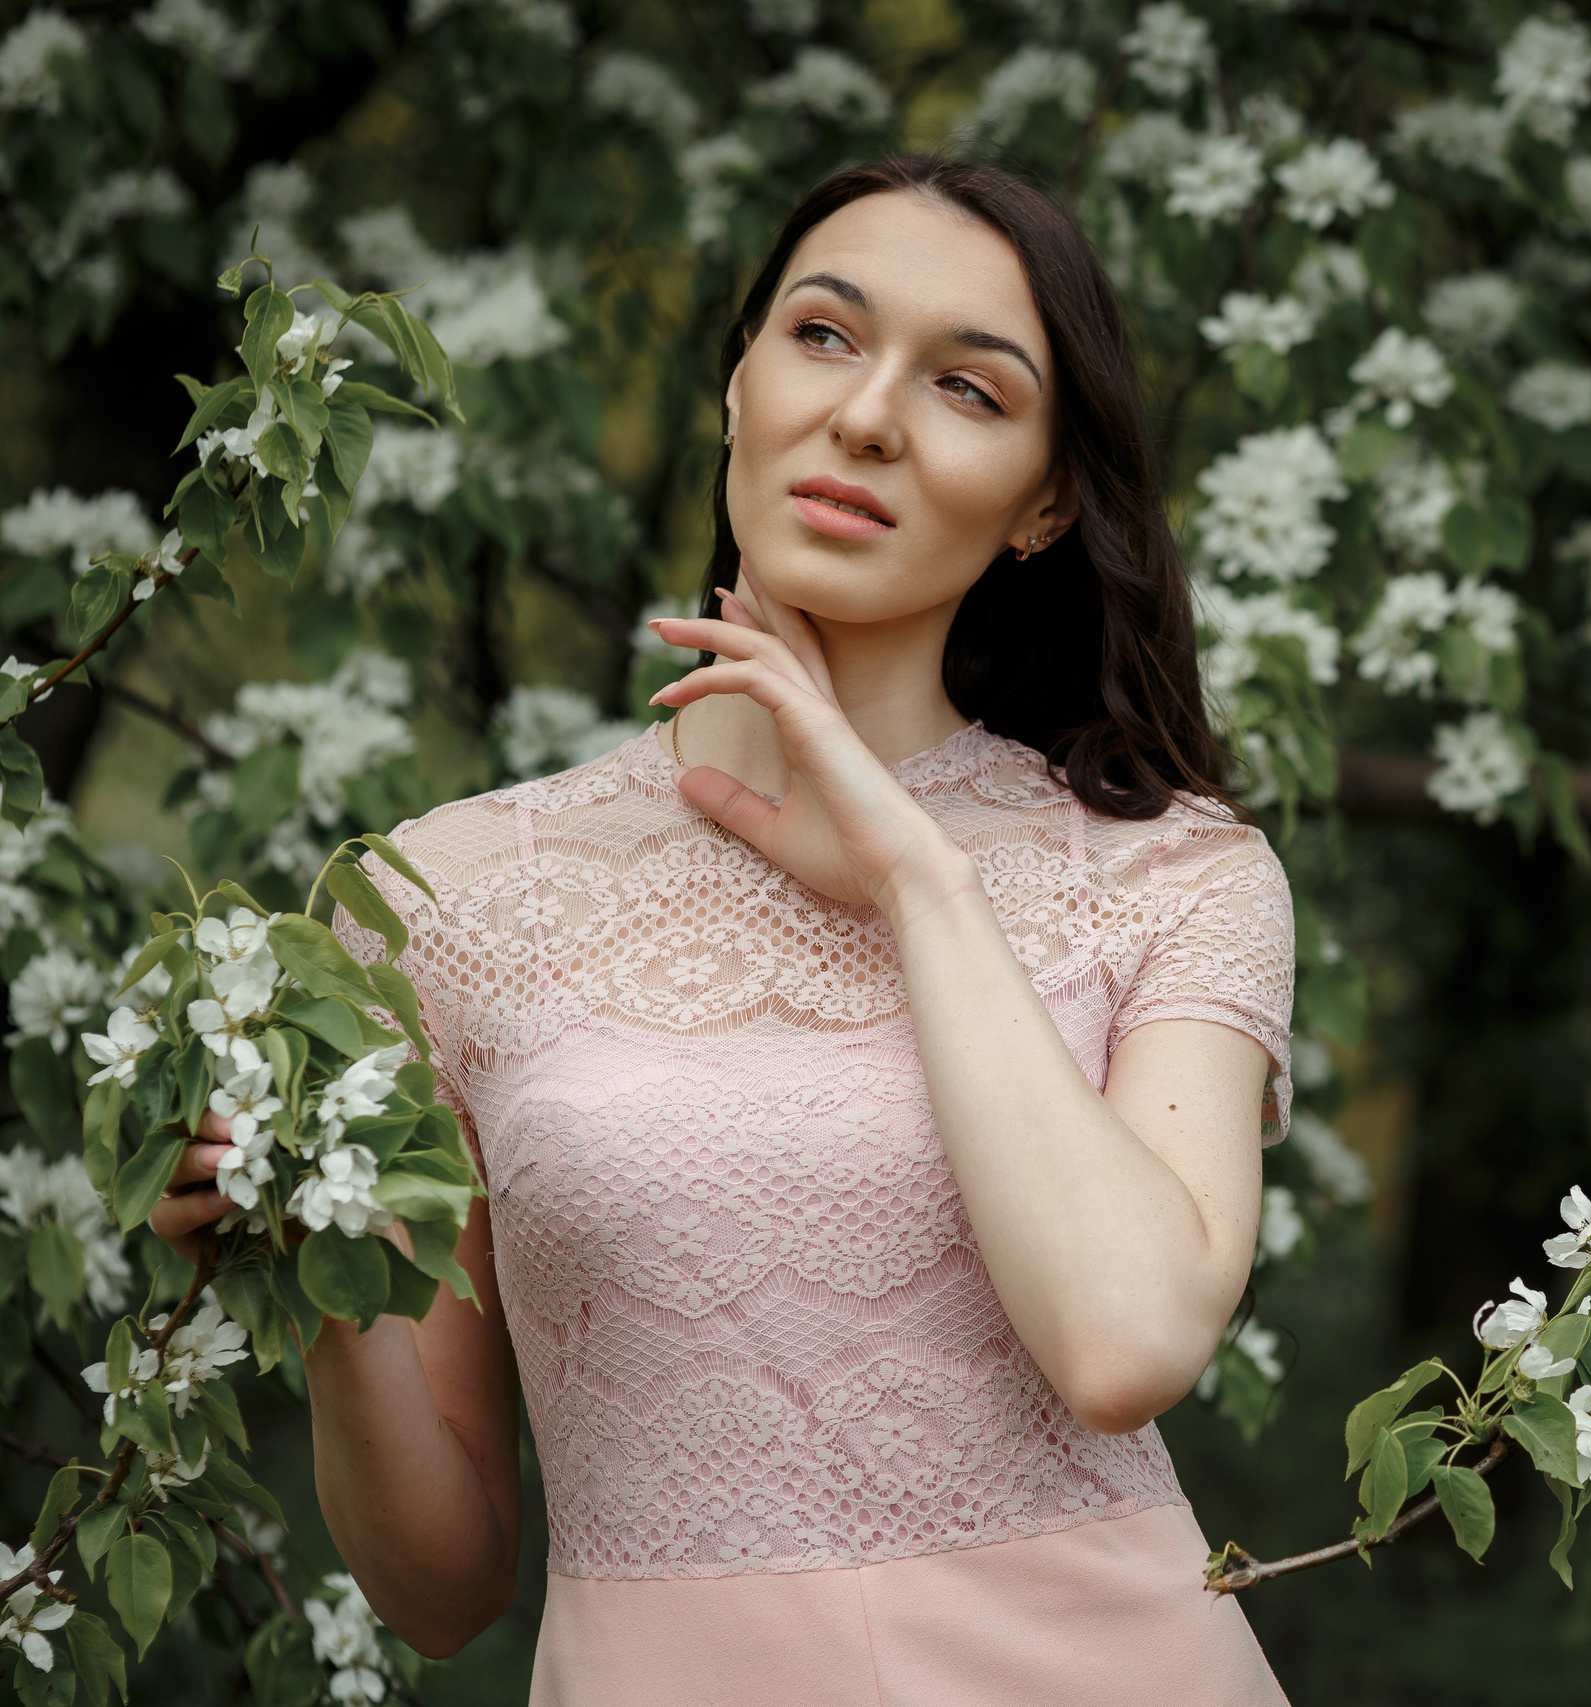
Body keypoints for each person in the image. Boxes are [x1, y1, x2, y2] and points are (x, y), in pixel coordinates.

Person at [151, 154, 1297, 1706]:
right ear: (736, 384)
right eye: (824, 335)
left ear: (1047, 501)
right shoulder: (443, 899)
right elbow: (441, 1592)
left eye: (968, 387)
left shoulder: (1175, 875)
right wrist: (319, 1273)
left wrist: (913, 874)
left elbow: (1122, 1346)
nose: (870, 414)